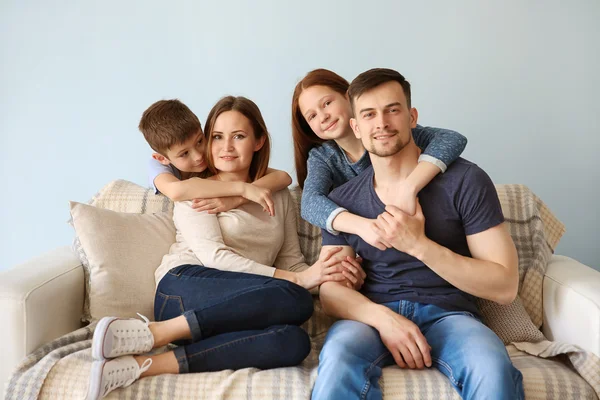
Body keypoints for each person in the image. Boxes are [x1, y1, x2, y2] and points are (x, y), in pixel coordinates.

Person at [86, 96, 364, 399]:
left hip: (239, 309)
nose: (225, 147)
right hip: (182, 289)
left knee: (293, 342)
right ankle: (156, 332)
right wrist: (299, 280)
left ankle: (145, 365)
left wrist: (328, 273)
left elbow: (291, 262)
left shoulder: (277, 193)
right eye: (217, 136)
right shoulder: (198, 189)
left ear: (258, 141)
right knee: (295, 298)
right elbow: (215, 258)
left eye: (239, 136)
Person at [311, 68, 523, 400]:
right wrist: (384, 320)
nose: (381, 123)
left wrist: (418, 245)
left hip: (451, 316)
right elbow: (331, 293)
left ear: (412, 117)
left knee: (491, 368)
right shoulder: (342, 201)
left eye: (392, 110)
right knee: (337, 359)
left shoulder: (466, 181)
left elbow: (505, 286)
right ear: (356, 126)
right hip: (371, 318)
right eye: (369, 114)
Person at [292, 69, 468, 250]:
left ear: (349, 96)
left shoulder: (390, 133)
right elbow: (310, 203)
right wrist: (365, 228)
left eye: (327, 103)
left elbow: (452, 139)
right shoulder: (323, 157)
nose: (323, 117)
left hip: (423, 222)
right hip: (370, 242)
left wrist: (409, 187)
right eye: (312, 116)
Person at [141, 98, 292, 214]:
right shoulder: (158, 165)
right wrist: (243, 189)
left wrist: (237, 199)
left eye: (200, 141)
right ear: (162, 158)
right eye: (184, 153)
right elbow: (176, 191)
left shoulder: (216, 157)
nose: (199, 156)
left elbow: (283, 177)